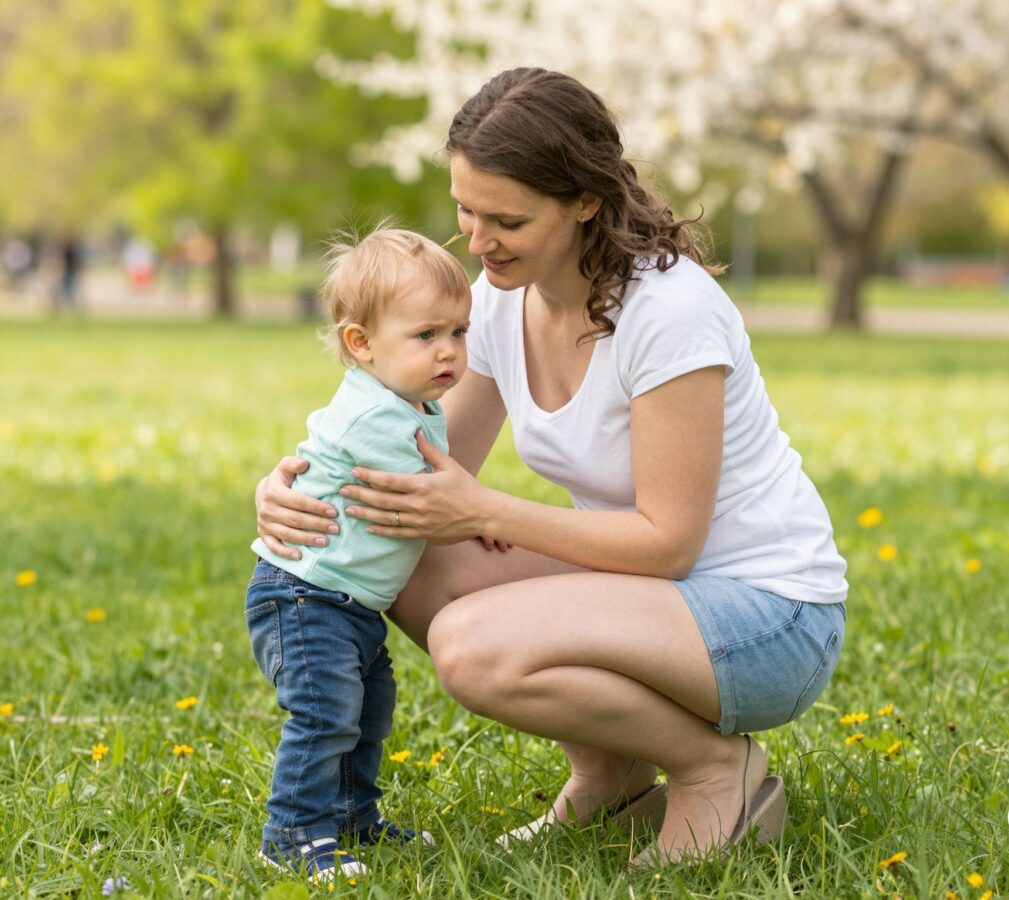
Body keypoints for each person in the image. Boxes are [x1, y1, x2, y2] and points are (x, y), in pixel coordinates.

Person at [256, 67, 848, 866]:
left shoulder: (668, 312)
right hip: (655, 598)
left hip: (766, 613)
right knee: (411, 559)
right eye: (466, 210)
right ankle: (613, 778)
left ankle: (716, 771)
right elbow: (421, 469)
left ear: (585, 202)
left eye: (506, 218)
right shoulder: (501, 296)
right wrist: (291, 487)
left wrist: (489, 513)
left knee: (472, 645)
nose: (476, 239)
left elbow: (671, 543)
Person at [247, 227, 471, 880]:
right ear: (361, 344)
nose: (448, 351)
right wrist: (481, 518)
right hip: (304, 596)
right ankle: (292, 835)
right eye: (426, 335)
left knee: (365, 715)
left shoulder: (408, 402)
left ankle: (352, 820)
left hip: (345, 602)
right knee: (324, 716)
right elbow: (428, 502)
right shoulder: (376, 418)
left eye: (458, 332)